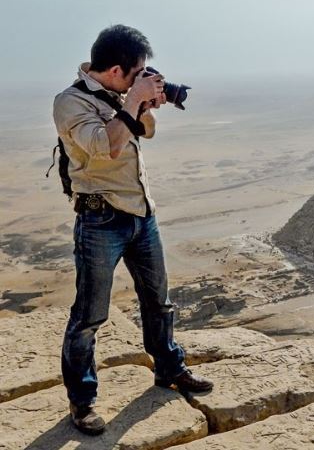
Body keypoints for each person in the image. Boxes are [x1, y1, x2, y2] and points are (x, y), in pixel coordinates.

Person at [53, 25, 213, 435]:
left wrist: (143, 103)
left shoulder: (120, 96)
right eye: (138, 71)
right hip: (100, 219)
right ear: (115, 70)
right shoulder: (70, 102)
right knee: (89, 316)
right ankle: (83, 403)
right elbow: (105, 146)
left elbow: (146, 132)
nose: (143, 76)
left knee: (158, 302)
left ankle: (169, 369)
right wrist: (134, 102)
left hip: (141, 213)